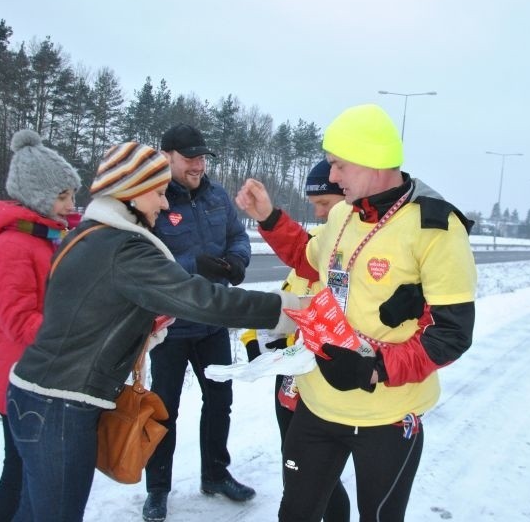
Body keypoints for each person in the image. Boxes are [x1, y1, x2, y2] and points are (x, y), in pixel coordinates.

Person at [6, 141, 301, 522]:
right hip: (59, 405)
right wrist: (287, 310)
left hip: (38, 395)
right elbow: (203, 299)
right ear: (130, 192)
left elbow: (88, 314)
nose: (164, 204)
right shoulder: (124, 248)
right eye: (159, 193)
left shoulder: (88, 235)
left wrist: (144, 324)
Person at [235, 103, 477, 522]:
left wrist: (373, 369)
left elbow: (450, 335)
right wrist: (268, 217)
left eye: (338, 165)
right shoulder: (345, 213)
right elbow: (309, 260)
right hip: (317, 403)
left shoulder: (436, 227)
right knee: (296, 513)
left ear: (373, 161)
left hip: (387, 415)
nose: (331, 177)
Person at [143, 123, 253, 522]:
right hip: (170, 326)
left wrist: (238, 260)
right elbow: (145, 263)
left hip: (212, 322)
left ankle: (216, 475)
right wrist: (193, 266)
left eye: (202, 157)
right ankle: (157, 489)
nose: (198, 165)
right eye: (190, 158)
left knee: (220, 401)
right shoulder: (152, 197)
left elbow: (238, 236)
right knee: (163, 409)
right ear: (167, 156)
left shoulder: (216, 194)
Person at [240, 158, 351, 522]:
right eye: (315, 205)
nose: (319, 215)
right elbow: (288, 296)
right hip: (290, 379)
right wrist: (255, 342)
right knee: (294, 466)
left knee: (321, 477)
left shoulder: (350, 252)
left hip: (327, 382)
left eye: (325, 205)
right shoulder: (313, 244)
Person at [0, 129, 82, 522]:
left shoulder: (46, 239)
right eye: (63, 196)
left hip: (40, 375)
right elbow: (18, 320)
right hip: (20, 380)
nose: (71, 204)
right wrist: (76, 332)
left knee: (26, 472)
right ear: (37, 197)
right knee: (20, 472)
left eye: (71, 194)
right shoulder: (14, 247)